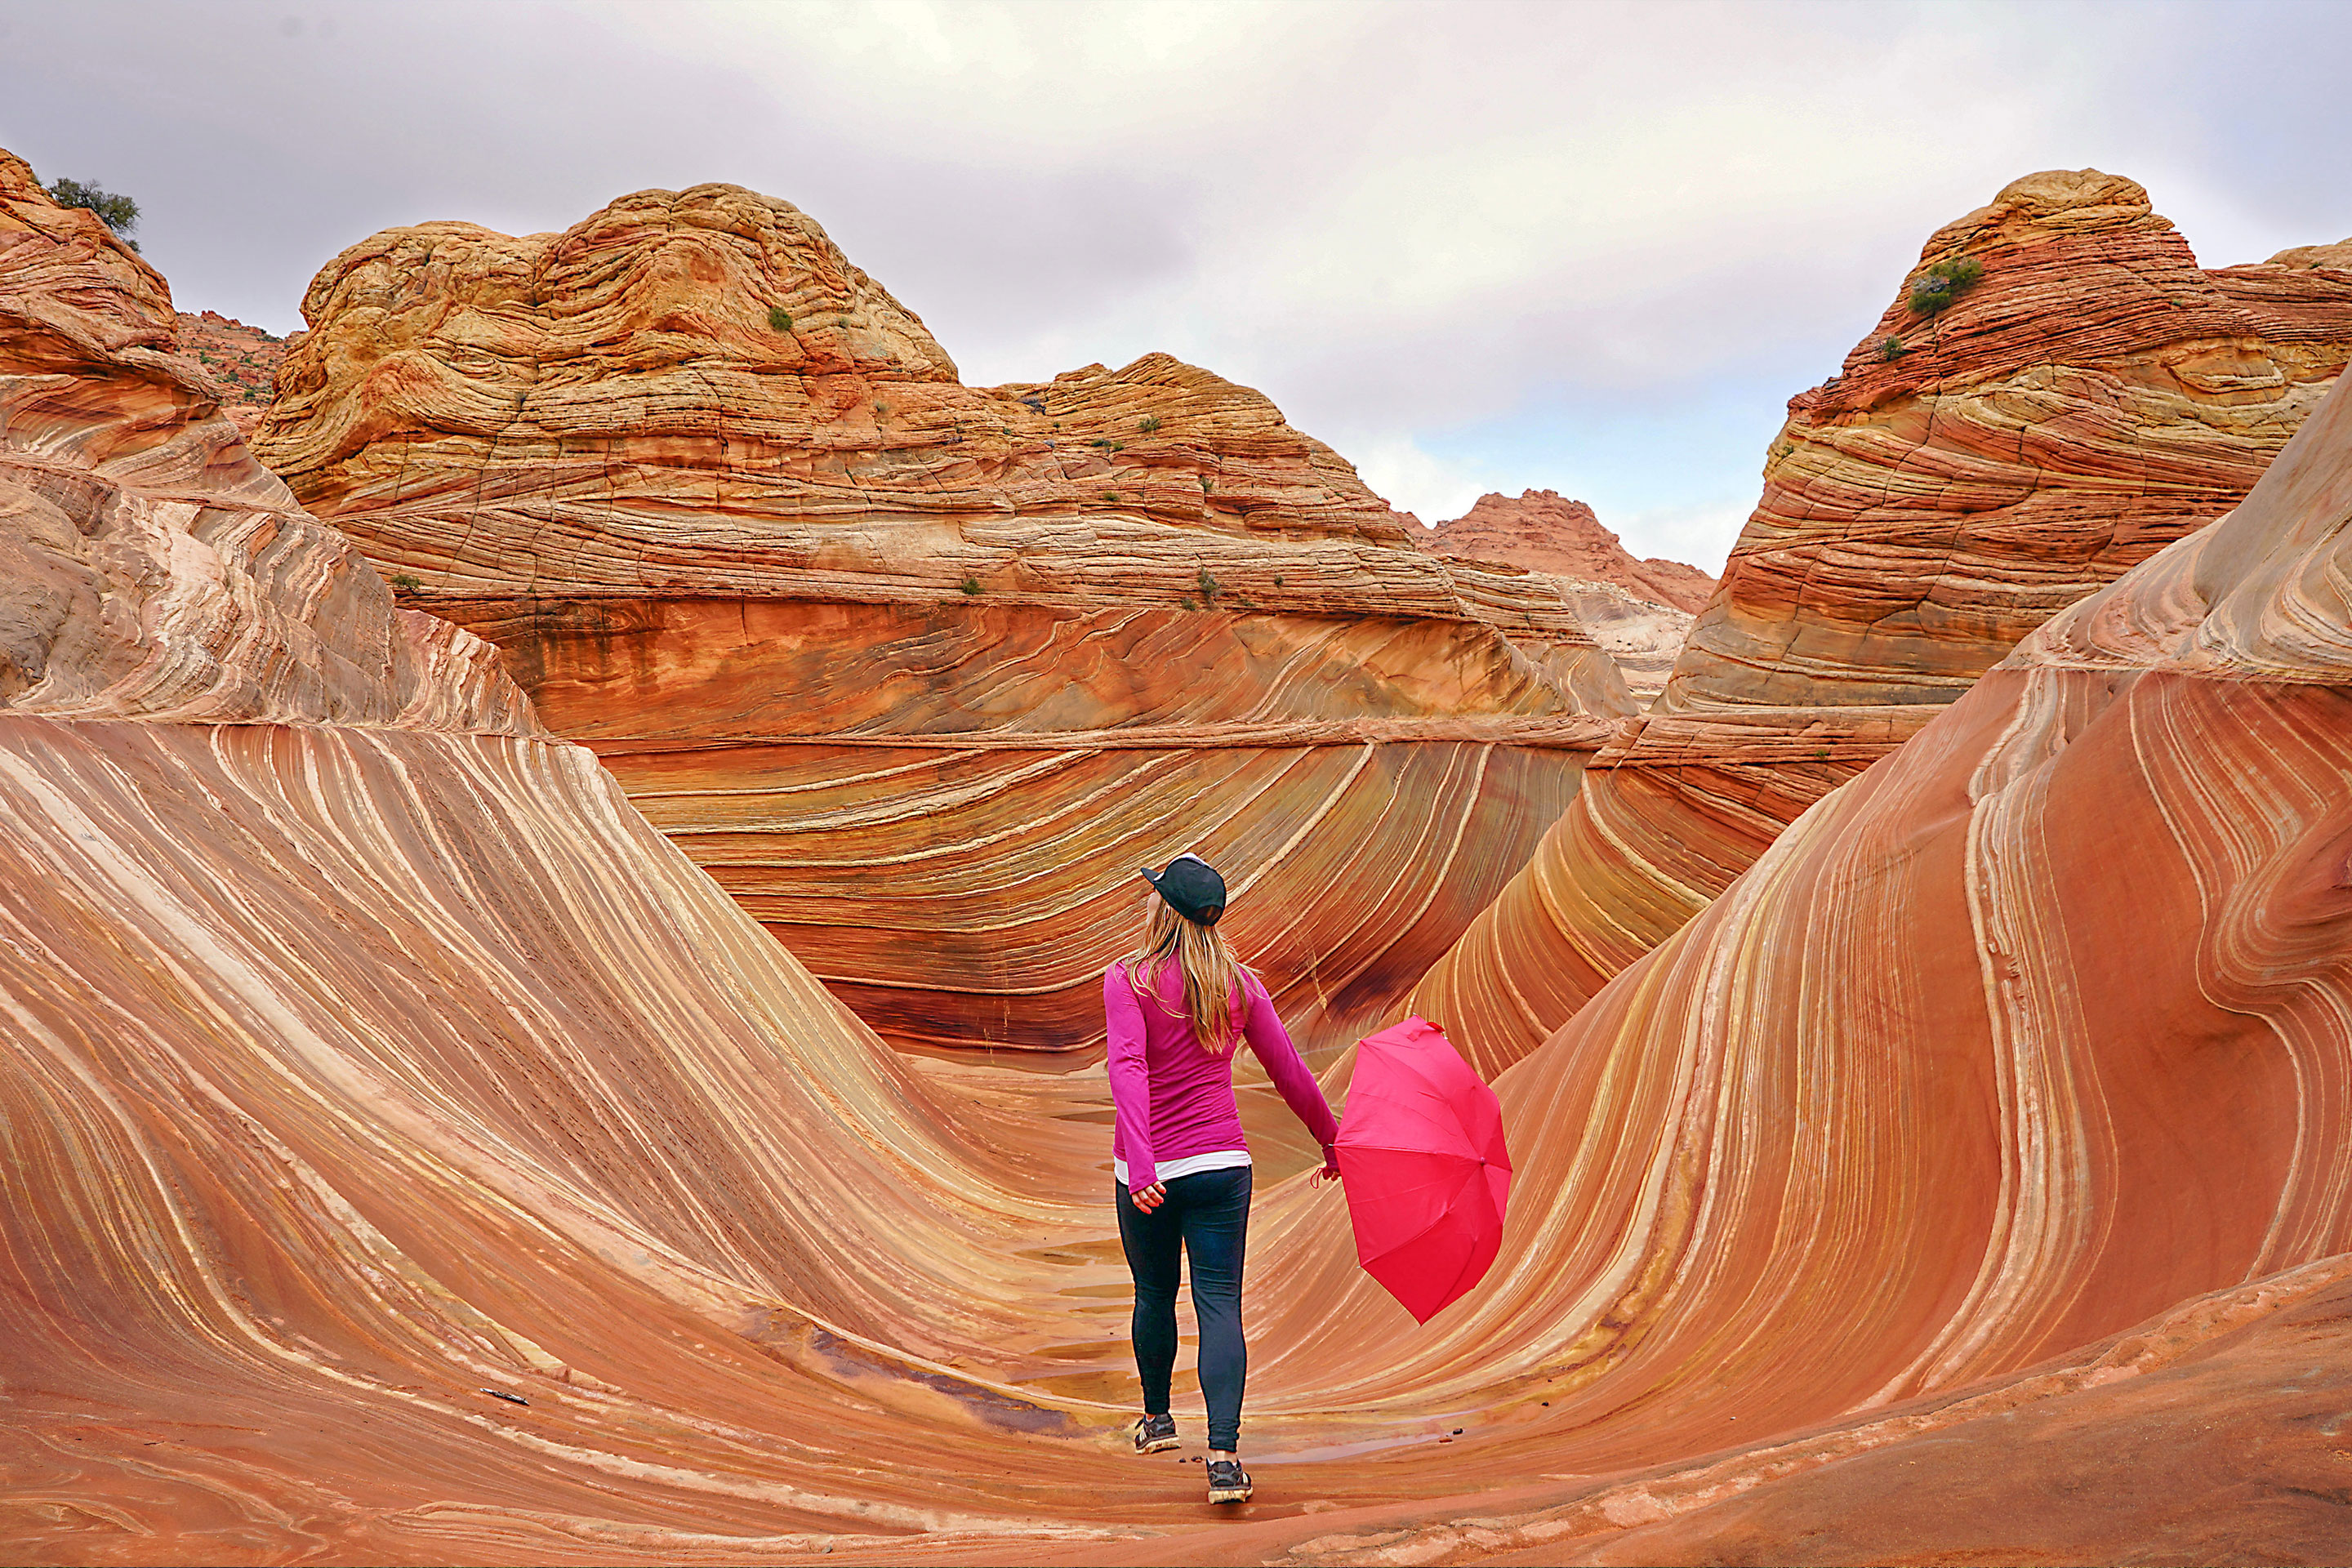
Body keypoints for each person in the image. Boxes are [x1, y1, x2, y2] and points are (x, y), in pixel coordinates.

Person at [1107, 852, 1341, 1506]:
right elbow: (1289, 1069)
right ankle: (1225, 1460)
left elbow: (1128, 1067)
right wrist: (1330, 1139)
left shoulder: (1129, 979)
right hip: (1222, 1167)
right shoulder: (1241, 986)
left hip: (1149, 1172)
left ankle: (1156, 1421)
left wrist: (1145, 1163)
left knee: (1154, 1294)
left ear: (1161, 910)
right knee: (1219, 1305)